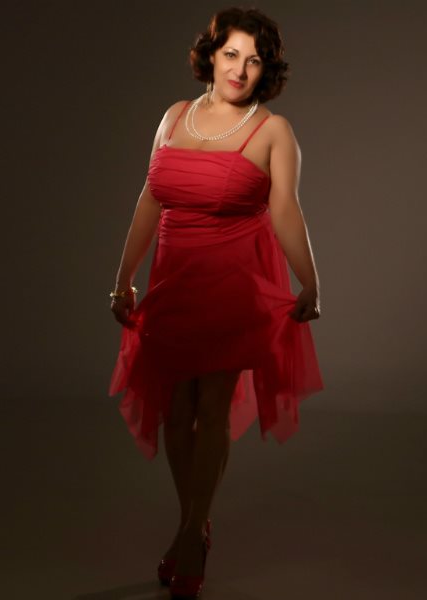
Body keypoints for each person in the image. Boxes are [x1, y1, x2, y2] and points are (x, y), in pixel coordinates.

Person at [108, 7, 323, 598]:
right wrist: (123, 278)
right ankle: (193, 526)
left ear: (266, 69)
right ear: (211, 54)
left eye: (254, 60)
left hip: (232, 283)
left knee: (211, 406)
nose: (240, 69)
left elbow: (285, 210)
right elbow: (150, 199)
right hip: (174, 282)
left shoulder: (273, 131)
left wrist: (310, 281)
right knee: (176, 413)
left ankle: (188, 542)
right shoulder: (174, 116)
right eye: (231, 54)